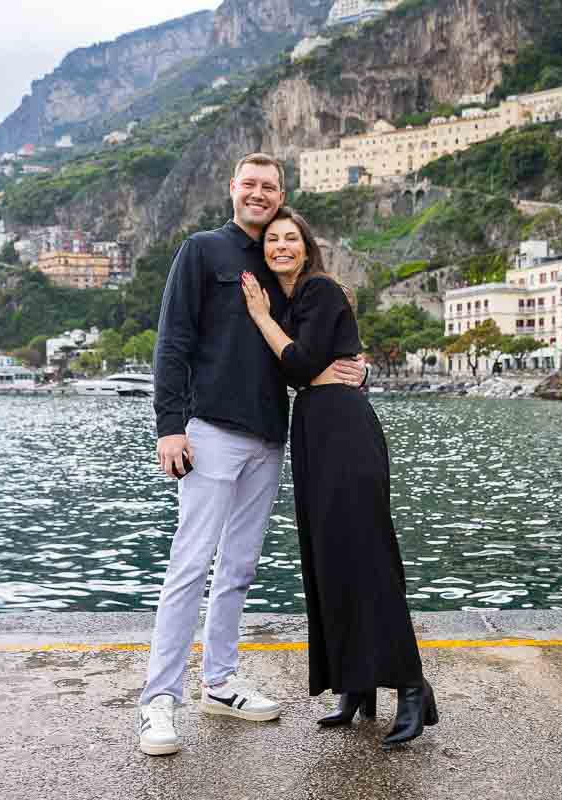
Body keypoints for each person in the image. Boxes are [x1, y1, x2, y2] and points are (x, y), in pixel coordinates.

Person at [138, 154, 365, 757]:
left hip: (270, 435)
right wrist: (169, 427)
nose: (259, 194)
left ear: (281, 194)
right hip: (210, 430)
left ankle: (219, 681)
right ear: (232, 189)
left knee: (238, 568)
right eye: (250, 185)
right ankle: (159, 701)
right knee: (190, 565)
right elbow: (174, 340)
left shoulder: (283, 266)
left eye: (270, 187)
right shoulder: (202, 251)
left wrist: (352, 363)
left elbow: (306, 347)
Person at [240, 207, 438, 749]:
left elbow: (301, 362)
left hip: (343, 429)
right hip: (314, 428)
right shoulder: (296, 300)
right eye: (272, 240)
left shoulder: (320, 290)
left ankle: (411, 687)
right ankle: (355, 686)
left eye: (291, 239)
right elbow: (304, 365)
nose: (280, 246)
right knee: (327, 559)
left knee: (367, 557)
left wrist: (261, 319)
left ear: (307, 247)